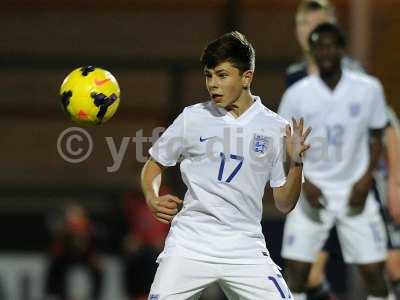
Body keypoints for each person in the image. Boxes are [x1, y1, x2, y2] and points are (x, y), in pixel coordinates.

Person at [140, 31, 311, 299]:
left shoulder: (276, 128)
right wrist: (152, 196)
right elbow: (154, 164)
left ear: (247, 77)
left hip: (244, 247)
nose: (213, 85)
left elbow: (284, 204)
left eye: (222, 75)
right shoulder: (192, 118)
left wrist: (297, 163)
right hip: (190, 243)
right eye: (208, 75)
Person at [285, 1, 400, 299]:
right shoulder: (295, 78)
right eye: (303, 25)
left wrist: (395, 183)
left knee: (389, 268)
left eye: (317, 22)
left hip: (360, 186)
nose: (310, 30)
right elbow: (286, 140)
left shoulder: (356, 76)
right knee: (306, 274)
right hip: (317, 189)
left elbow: (385, 127)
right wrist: (300, 180)